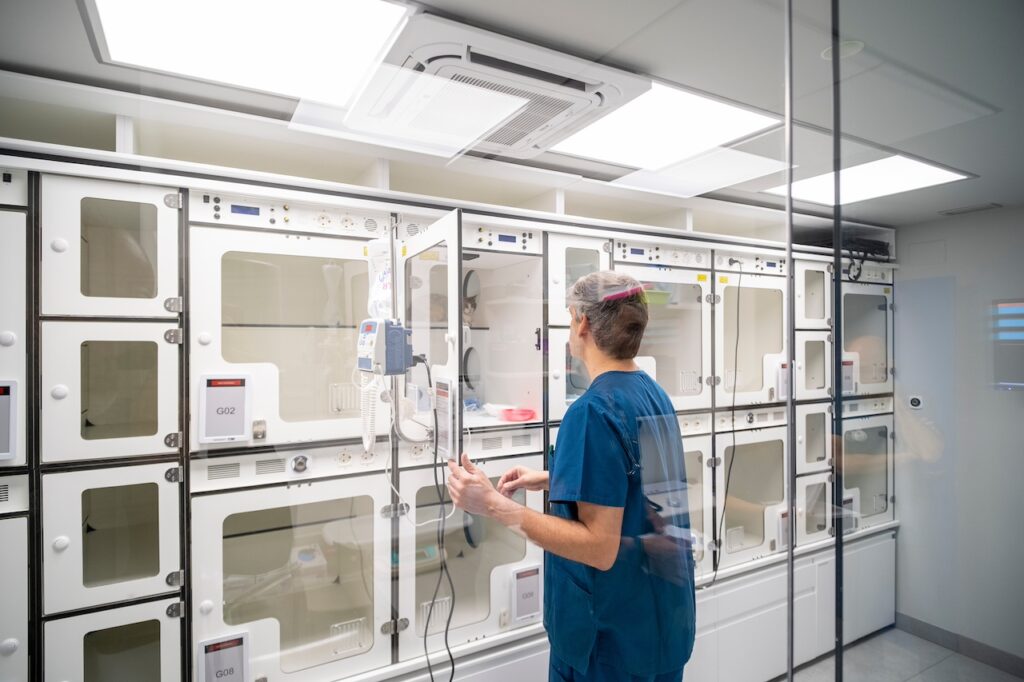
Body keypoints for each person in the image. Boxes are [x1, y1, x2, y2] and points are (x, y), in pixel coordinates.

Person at [447, 270, 696, 682]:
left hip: (607, 645)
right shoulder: (652, 393)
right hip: (661, 629)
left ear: (582, 322)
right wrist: (551, 477)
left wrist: (493, 505)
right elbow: (633, 485)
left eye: (567, 317)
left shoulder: (591, 411)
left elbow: (599, 547)